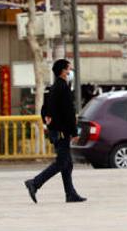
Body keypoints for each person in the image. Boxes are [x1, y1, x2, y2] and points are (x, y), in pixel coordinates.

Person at [25, 59, 86, 204]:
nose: (71, 71)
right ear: (64, 71)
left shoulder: (54, 87)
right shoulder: (63, 87)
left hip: (55, 130)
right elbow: (69, 113)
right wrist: (74, 132)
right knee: (61, 162)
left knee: (67, 163)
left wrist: (46, 118)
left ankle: (70, 193)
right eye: (69, 68)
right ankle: (34, 183)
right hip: (62, 131)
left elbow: (44, 108)